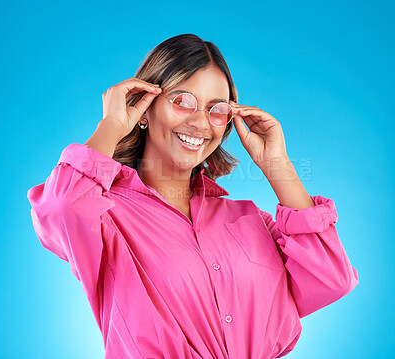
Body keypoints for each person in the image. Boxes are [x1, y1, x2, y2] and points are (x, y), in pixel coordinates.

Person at [27, 34, 359, 359]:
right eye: (182, 101)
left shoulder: (249, 218)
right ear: (143, 109)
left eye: (216, 109)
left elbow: (330, 279)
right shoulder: (105, 214)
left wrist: (277, 165)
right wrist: (112, 124)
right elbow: (60, 209)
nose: (200, 122)